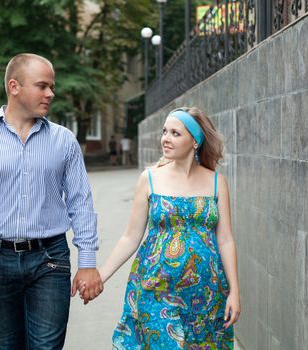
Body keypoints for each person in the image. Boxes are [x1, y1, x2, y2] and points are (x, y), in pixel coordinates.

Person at [0, 53, 103, 350]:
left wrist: (87, 262)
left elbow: (80, 203)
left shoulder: (64, 140)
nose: (50, 93)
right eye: (42, 86)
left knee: (46, 347)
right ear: (14, 87)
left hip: (50, 260)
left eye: (51, 86)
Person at [81, 107, 240, 348]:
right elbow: (130, 236)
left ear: (195, 141)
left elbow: (226, 239)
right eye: (165, 131)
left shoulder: (217, 182)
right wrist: (100, 275)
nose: (165, 138)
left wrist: (234, 292)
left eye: (175, 133)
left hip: (206, 295)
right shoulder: (150, 178)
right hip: (155, 288)